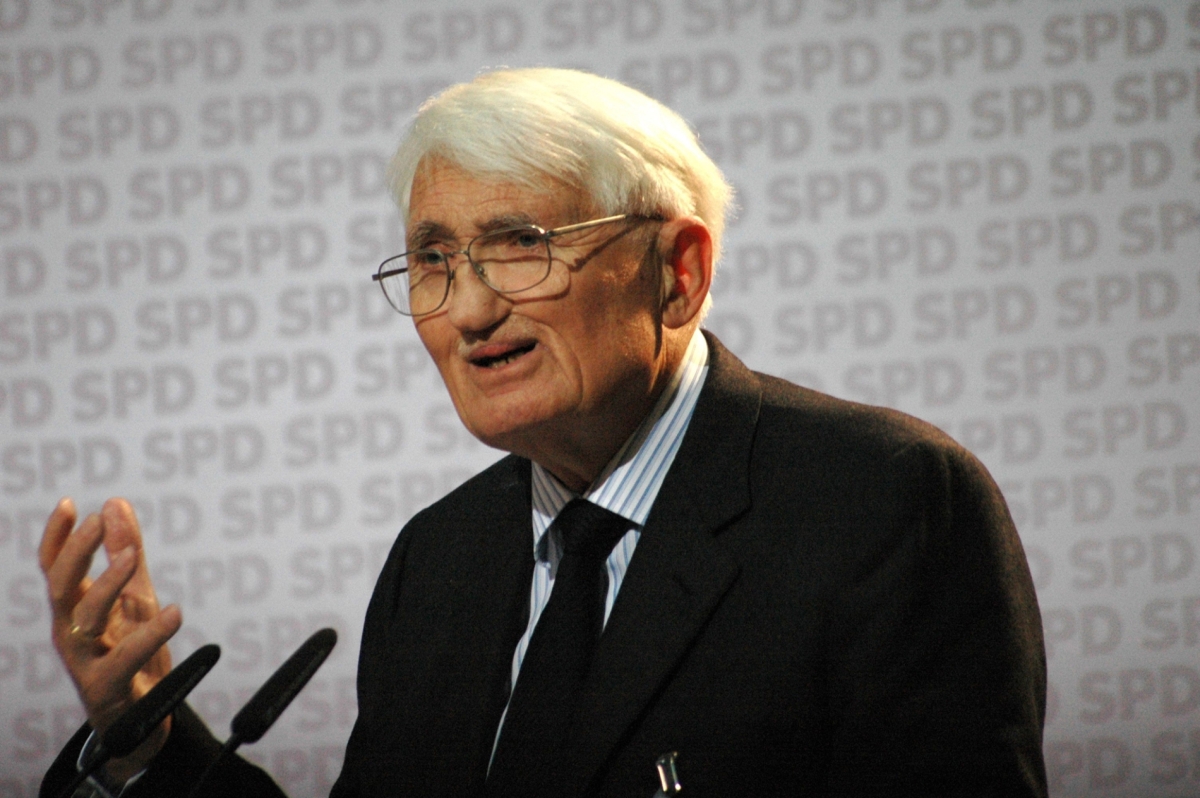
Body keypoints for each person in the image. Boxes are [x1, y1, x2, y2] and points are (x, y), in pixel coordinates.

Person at [40, 68, 1048, 797]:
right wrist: (153, 742)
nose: (468, 310)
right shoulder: (439, 560)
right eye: (432, 262)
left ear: (679, 274)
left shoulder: (882, 502)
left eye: (521, 246)